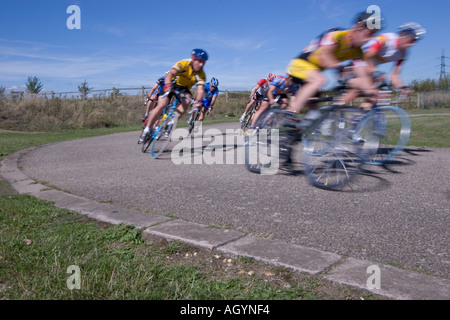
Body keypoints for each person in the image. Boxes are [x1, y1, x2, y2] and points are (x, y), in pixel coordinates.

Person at [279, 12, 382, 167]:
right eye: (369, 34)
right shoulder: (337, 35)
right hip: (301, 64)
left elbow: (362, 75)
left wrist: (372, 90)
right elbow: (325, 56)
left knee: (313, 118)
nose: (370, 39)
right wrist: (339, 67)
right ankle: (289, 115)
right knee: (320, 79)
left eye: (374, 35)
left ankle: (287, 146)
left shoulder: (358, 52)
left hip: (315, 73)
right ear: (358, 28)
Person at [140, 49, 208, 143]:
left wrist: (198, 102)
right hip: (172, 84)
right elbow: (171, 74)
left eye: (203, 63)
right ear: (193, 59)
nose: (201, 65)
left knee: (188, 101)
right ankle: (147, 129)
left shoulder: (201, 74)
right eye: (199, 61)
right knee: (161, 105)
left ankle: (171, 122)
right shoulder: (183, 63)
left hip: (184, 89)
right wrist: (168, 85)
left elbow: (200, 90)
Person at [349, 22, 426, 101]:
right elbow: (367, 56)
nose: (412, 44)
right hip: (360, 59)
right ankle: (341, 103)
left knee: (374, 96)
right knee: (372, 90)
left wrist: (403, 87)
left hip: (370, 67)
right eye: (412, 40)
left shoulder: (404, 54)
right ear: (404, 35)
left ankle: (359, 111)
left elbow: (394, 75)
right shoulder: (387, 39)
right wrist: (375, 72)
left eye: (415, 41)